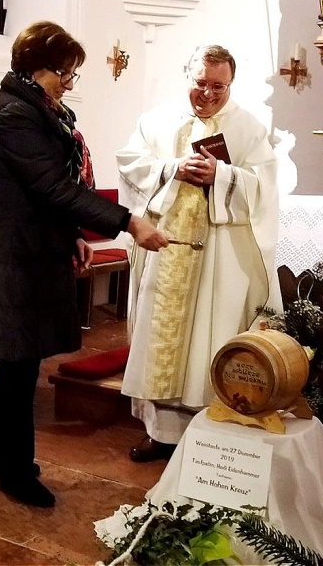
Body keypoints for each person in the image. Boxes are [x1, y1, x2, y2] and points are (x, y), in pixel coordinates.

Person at [0, 21, 167, 508]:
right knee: (21, 359)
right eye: (64, 72)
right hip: (13, 254)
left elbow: (45, 190)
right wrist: (129, 222)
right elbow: (53, 188)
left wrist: (74, 234)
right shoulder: (15, 114)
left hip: (30, 247)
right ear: (35, 66)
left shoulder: (34, 109)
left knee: (22, 357)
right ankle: (15, 473)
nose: (68, 82)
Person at [117, 44, 282, 462]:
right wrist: (172, 169)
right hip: (164, 246)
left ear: (231, 84)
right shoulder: (155, 120)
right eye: (201, 84)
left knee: (209, 339)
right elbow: (130, 165)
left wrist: (222, 176)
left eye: (219, 87)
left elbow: (265, 188)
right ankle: (161, 434)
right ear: (187, 77)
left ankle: (210, 435)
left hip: (219, 259)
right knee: (162, 340)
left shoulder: (248, 128)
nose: (208, 94)